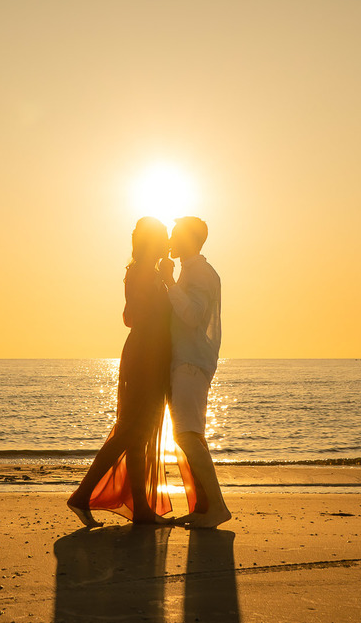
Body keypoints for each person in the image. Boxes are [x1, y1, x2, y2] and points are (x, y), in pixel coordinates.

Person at [67, 217, 175, 527]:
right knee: (130, 429)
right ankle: (81, 496)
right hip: (143, 356)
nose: (167, 243)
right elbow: (132, 316)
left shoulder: (153, 273)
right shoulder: (139, 273)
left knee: (138, 434)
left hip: (153, 356)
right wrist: (163, 289)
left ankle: (140, 508)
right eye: (163, 237)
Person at [163, 216, 230, 528]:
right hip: (188, 360)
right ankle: (205, 507)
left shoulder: (200, 272)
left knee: (188, 436)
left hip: (191, 362)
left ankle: (216, 507)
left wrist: (167, 283)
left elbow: (192, 316)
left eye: (175, 233)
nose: (171, 238)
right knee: (191, 436)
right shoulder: (191, 270)